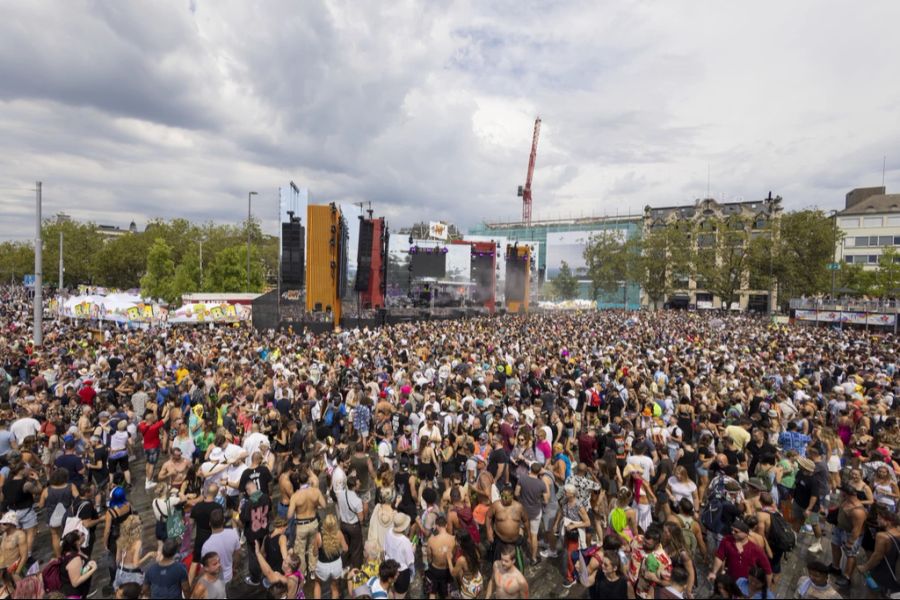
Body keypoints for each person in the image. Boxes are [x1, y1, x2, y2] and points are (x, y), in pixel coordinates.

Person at [830, 482, 867, 587]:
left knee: (850, 554)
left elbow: (857, 529)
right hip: (839, 528)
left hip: (850, 533)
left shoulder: (858, 511)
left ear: (845, 493)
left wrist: (851, 542)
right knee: (834, 545)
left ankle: (847, 576)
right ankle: (835, 567)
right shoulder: (845, 500)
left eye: (841, 491)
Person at [200, 507, 241, 585]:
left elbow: (204, 568)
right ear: (223, 521)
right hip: (229, 576)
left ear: (209, 523)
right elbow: (237, 555)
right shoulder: (233, 534)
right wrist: (234, 567)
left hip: (214, 580)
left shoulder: (206, 546)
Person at [313, 513, 346, 599]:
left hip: (322, 565)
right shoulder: (339, 534)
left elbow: (315, 553)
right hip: (336, 564)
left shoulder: (319, 536)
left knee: (318, 584)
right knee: (334, 587)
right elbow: (346, 548)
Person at [60, 530, 98, 599]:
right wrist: (93, 569)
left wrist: (88, 567)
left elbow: (80, 572)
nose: (84, 535)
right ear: (77, 542)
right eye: (82, 534)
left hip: (81, 593)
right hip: (74, 595)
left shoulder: (75, 552)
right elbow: (75, 582)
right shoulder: (74, 559)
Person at [447, 528, 484, 599]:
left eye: (456, 540)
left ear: (460, 542)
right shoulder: (476, 549)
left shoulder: (462, 560)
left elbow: (453, 573)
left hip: (470, 587)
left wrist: (448, 559)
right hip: (478, 581)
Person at [425, 515, 455, 599]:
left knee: (432, 592)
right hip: (447, 569)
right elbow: (453, 555)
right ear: (446, 525)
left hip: (435, 569)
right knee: (447, 594)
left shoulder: (431, 540)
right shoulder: (453, 539)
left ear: (437, 526)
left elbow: (428, 556)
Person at [0, 512, 26, 578]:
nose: (1, 525)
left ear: (11, 524)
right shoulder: (4, 535)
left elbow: (24, 556)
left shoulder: (20, 535)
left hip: (16, 570)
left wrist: (17, 573)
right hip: (4, 570)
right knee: (8, 587)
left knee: (20, 587)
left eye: (4, 524)